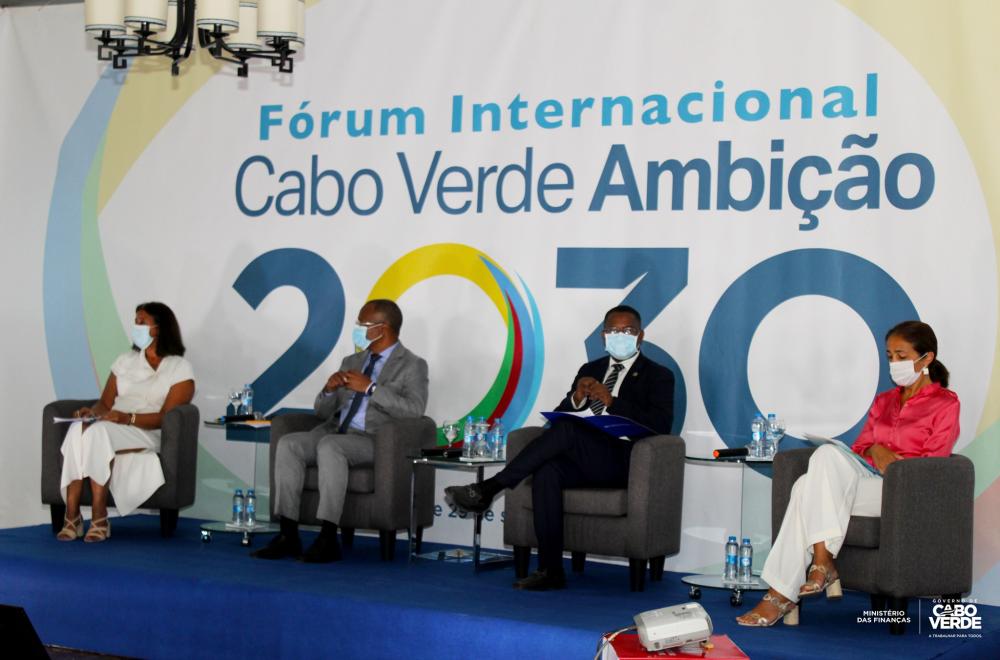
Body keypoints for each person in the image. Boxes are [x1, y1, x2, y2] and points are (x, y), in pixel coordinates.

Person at [736, 320, 960, 627]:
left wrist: (894, 464)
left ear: (927, 358)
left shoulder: (945, 403)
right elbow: (860, 448)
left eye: (901, 355)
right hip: (867, 481)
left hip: (902, 492)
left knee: (804, 487)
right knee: (824, 459)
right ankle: (820, 564)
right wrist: (876, 450)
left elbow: (934, 463)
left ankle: (784, 592)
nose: (894, 363)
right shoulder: (884, 401)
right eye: (889, 356)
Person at [445, 305, 675, 590]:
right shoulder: (590, 370)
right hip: (584, 457)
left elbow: (660, 425)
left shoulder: (658, 375)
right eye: (613, 331)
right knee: (548, 471)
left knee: (568, 431)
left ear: (640, 336)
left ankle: (490, 487)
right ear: (603, 336)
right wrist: (577, 398)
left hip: (625, 461)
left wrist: (614, 402)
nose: (620, 336)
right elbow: (561, 416)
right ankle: (551, 569)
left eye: (627, 331)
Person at [254, 299, 429, 563]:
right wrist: (329, 390)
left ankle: (328, 538)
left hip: (373, 440)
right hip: (334, 430)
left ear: (383, 327)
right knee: (289, 443)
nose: (358, 328)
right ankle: (288, 535)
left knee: (330, 446)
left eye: (363, 323)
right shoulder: (352, 360)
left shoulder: (412, 365)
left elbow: (414, 410)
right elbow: (321, 412)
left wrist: (371, 389)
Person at [58, 302, 195, 543]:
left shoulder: (179, 367)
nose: (136, 327)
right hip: (113, 424)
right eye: (135, 322)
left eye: (142, 322)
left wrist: (127, 418)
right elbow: (105, 403)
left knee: (98, 433)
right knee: (79, 427)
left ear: (159, 328)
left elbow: (167, 417)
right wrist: (91, 413)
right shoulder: (125, 361)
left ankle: (99, 516)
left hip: (147, 430)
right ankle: (72, 514)